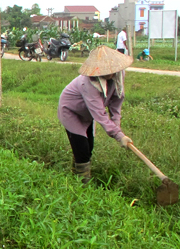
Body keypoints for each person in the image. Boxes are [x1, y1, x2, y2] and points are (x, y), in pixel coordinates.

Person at [57, 46, 134, 183]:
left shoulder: (119, 75)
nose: (108, 74)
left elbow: (117, 100)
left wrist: (117, 128)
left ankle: (75, 175)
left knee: (89, 147)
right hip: (71, 111)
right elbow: (99, 113)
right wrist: (117, 135)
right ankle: (83, 185)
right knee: (83, 149)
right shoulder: (88, 82)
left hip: (87, 113)